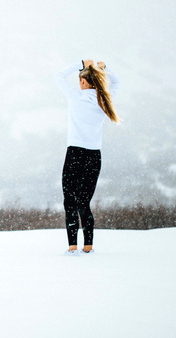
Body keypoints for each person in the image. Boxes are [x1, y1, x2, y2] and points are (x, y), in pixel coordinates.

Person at [54, 59, 120, 254]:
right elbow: (117, 82)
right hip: (94, 156)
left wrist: (80, 63)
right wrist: (104, 68)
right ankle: (88, 246)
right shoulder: (103, 100)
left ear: (83, 82)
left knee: (70, 201)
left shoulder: (76, 98)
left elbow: (57, 75)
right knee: (84, 202)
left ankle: (72, 246)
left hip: (75, 153)